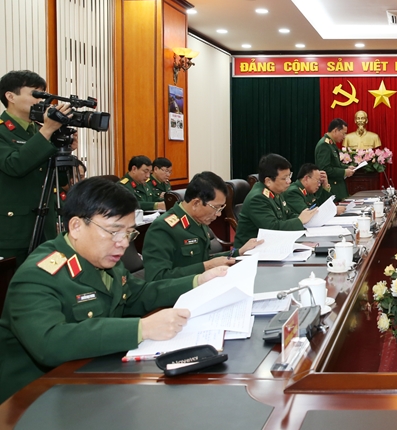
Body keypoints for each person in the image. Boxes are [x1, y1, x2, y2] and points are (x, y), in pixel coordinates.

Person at [0, 177, 229, 402]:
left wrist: (198, 280)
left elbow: (138, 294)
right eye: (114, 232)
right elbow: (50, 342)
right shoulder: (38, 275)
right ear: (76, 226)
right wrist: (141, 328)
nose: (124, 243)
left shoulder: (105, 261)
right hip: (36, 398)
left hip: (93, 378)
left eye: (129, 233)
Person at [0, 70, 72, 267]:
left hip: (45, 227)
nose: (42, 101)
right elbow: (14, 165)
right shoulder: (4, 131)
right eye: (36, 94)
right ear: (10, 96)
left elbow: (60, 181)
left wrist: (65, 150)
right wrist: (47, 130)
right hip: (13, 230)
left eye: (44, 95)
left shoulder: (38, 131)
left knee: (46, 280)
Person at [142, 171, 261, 281]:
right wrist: (206, 266)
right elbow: (157, 279)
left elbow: (202, 259)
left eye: (221, 208)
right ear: (196, 203)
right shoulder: (163, 228)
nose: (219, 214)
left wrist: (238, 252)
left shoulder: (197, 220)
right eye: (216, 208)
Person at [234, 154, 317, 248]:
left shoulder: (275, 191)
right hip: (252, 251)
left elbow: (287, 215)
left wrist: (309, 219)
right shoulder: (257, 198)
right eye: (284, 178)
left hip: (273, 244)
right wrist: (300, 221)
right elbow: (272, 228)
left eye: (289, 176)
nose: (289, 181)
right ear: (268, 181)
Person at [315, 118, 354, 201]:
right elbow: (325, 169)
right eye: (343, 133)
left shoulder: (331, 144)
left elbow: (336, 164)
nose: (344, 137)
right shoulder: (324, 145)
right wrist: (344, 172)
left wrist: (347, 167)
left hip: (338, 187)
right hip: (332, 189)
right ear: (335, 130)